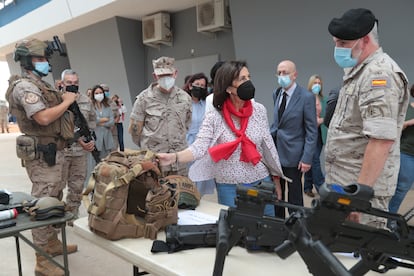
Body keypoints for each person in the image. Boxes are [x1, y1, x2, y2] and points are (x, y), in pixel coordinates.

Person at [157, 61, 286, 216]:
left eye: (249, 77)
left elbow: (268, 146)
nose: (248, 82)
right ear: (228, 87)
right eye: (242, 78)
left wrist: (276, 180)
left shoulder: (258, 111)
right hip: (229, 187)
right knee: (237, 234)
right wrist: (174, 157)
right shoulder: (214, 117)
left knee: (265, 231)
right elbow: (199, 147)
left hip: (260, 181)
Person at [325, 8, 409, 228]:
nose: (338, 49)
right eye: (336, 42)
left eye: (343, 43)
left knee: (359, 254)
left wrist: (358, 198)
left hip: (361, 192)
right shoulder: (360, 70)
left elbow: (380, 141)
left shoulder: (379, 75)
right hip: (345, 185)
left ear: (365, 40)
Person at [6, 38, 78, 275]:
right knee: (43, 203)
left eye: (46, 59)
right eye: (39, 59)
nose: (45, 63)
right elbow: (43, 118)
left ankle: (52, 244)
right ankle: (42, 260)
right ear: (27, 62)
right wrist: (67, 101)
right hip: (42, 156)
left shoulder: (40, 84)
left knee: (54, 199)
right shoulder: (25, 87)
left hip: (53, 152)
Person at [129, 56, 192, 176]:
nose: (165, 79)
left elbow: (187, 124)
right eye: (161, 76)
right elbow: (135, 131)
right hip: (154, 161)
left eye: (168, 75)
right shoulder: (144, 99)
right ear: (155, 76)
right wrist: (150, 147)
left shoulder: (185, 98)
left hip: (178, 162)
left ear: (175, 73)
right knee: (155, 194)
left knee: (180, 193)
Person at [270, 60, 317, 218]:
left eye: (285, 72)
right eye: (279, 73)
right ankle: (277, 227)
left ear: (294, 75)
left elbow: (311, 131)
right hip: (276, 153)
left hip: (295, 156)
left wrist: (307, 158)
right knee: (276, 193)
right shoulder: (276, 94)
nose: (281, 76)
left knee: (294, 196)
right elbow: (277, 124)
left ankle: (297, 227)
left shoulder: (306, 97)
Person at [60, 69, 96, 225]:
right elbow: (56, 126)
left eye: (75, 83)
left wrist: (90, 139)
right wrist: (78, 138)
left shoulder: (86, 101)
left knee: (77, 186)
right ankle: (54, 219)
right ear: (62, 83)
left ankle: (71, 216)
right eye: (69, 83)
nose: (73, 85)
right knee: (56, 187)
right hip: (61, 151)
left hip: (80, 154)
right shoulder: (55, 100)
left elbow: (92, 123)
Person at [183, 73, 216, 196]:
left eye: (203, 85)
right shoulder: (183, 103)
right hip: (187, 144)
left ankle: (198, 199)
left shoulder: (207, 104)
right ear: (190, 85)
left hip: (204, 145)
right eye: (197, 84)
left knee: (201, 178)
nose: (200, 87)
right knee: (188, 177)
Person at [388, 84, 414, 214]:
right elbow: (395, 128)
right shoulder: (406, 110)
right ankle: (389, 217)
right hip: (407, 153)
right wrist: (409, 123)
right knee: (402, 187)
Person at [303, 75, 325, 197]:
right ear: (310, 84)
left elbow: (326, 116)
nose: (317, 85)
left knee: (311, 160)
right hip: (309, 134)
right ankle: (321, 186)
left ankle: (307, 187)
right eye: (315, 82)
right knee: (314, 160)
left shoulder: (323, 99)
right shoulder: (306, 98)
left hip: (320, 134)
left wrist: (321, 120)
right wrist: (321, 120)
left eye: (319, 83)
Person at [91, 85, 115, 160]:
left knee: (106, 161)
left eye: (101, 92)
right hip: (96, 138)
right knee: (96, 161)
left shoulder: (108, 107)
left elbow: (111, 122)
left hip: (107, 138)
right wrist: (104, 119)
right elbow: (92, 120)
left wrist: (100, 123)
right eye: (97, 93)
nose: (99, 95)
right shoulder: (91, 106)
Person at [101, 83, 120, 151]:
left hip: (112, 132)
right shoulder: (95, 103)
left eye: (107, 91)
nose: (106, 92)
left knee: (113, 151)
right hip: (100, 133)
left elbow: (118, 116)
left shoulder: (112, 103)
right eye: (104, 90)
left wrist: (113, 124)